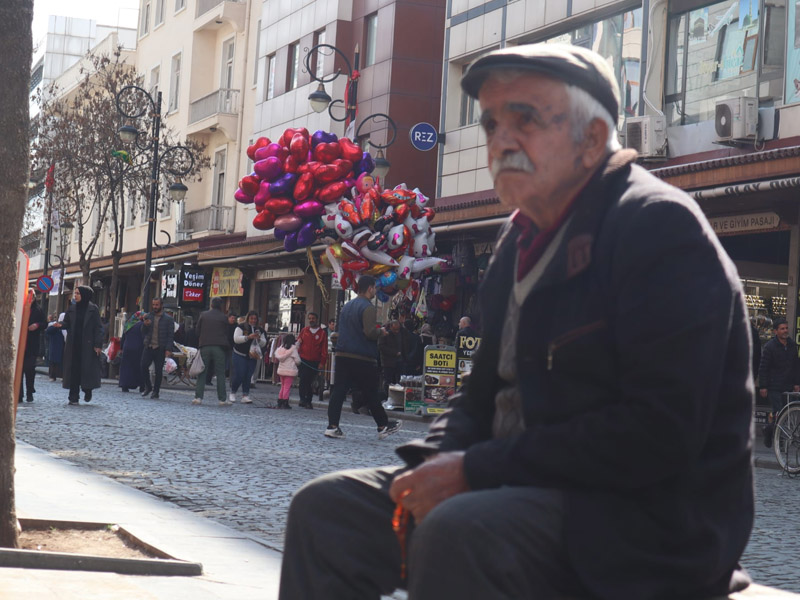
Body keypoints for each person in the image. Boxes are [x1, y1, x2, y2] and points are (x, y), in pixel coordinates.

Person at [279, 44, 754, 600]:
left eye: (524, 119)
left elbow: (658, 432)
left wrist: (473, 471)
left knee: (462, 532)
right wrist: (432, 465)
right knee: (326, 512)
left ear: (594, 139)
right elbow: (481, 395)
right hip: (520, 484)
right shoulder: (519, 238)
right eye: (491, 123)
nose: (501, 139)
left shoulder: (656, 227)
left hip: (644, 520)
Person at [323, 275, 402, 440]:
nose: (375, 291)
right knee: (371, 392)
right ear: (370, 288)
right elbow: (369, 332)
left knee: (338, 391)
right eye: (374, 288)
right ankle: (383, 425)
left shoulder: (346, 306)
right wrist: (382, 332)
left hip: (343, 354)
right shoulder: (368, 307)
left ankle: (332, 426)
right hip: (362, 356)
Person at [56, 286, 103, 405]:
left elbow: (98, 328)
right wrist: (60, 324)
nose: (75, 295)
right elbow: (67, 322)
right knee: (73, 371)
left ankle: (87, 390)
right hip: (73, 345)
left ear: (84, 295)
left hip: (87, 345)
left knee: (87, 370)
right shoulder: (72, 308)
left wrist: (98, 344)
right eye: (75, 293)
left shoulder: (93, 309)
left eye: (78, 293)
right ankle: (73, 396)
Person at [758, 317, 800, 425]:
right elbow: (763, 367)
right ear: (775, 331)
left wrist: (796, 383)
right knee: (778, 413)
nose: (785, 330)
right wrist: (763, 386)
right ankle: (771, 436)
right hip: (774, 387)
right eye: (782, 329)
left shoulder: (792, 345)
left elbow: (796, 365)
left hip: (789, 386)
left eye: (786, 328)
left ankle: (783, 439)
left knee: (789, 414)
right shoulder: (769, 347)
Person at [192, 296, 231, 406]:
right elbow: (226, 333)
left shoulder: (203, 315)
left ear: (211, 305)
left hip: (205, 345)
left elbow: (197, 331)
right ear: (221, 306)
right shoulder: (224, 317)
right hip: (219, 347)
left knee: (202, 372)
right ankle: (222, 399)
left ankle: (198, 397)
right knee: (220, 373)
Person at [139, 297, 175, 399]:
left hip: (160, 347)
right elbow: (143, 332)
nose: (155, 307)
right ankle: (148, 386)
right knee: (143, 366)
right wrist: (145, 325)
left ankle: (156, 391)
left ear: (161, 305)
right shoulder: (149, 316)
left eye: (157, 305)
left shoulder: (168, 319)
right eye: (153, 305)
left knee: (158, 371)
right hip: (149, 346)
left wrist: (168, 349)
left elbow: (170, 335)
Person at [229, 310, 267, 404]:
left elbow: (264, 343)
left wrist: (258, 339)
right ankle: (233, 392)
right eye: (251, 318)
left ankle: (245, 395)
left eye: (255, 319)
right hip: (239, 353)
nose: (253, 320)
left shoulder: (260, 330)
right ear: (248, 318)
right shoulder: (241, 327)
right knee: (239, 374)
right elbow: (236, 339)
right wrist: (247, 337)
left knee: (248, 375)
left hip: (252, 355)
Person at [296, 312, 328, 409]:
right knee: (302, 380)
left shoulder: (322, 333)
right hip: (304, 360)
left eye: (313, 318)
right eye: (309, 318)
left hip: (315, 361)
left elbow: (324, 349)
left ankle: (308, 400)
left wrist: (322, 362)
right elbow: (298, 343)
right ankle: (302, 399)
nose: (311, 320)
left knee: (310, 381)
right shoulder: (304, 331)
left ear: (317, 319)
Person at [19, 295, 46, 403]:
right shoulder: (19, 308)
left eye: (32, 298)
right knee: (18, 371)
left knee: (29, 369)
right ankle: (19, 394)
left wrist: (37, 325)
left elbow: (44, 324)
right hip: (19, 343)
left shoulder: (38, 310)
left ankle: (30, 392)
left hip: (31, 344)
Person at [377, 320, 405, 401]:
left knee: (399, 380)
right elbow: (381, 347)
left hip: (399, 361)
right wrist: (394, 353)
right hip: (388, 361)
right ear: (391, 326)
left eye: (398, 329)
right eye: (395, 329)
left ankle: (397, 398)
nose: (396, 331)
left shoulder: (401, 334)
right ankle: (387, 397)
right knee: (388, 380)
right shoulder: (385, 334)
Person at [118, 311, 145, 393]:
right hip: (139, 348)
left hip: (127, 348)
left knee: (126, 367)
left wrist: (122, 347)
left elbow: (123, 337)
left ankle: (124, 385)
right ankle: (141, 385)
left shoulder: (128, 324)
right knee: (139, 367)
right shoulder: (142, 325)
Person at [274, 334, 301, 409]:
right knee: (287, 387)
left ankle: (280, 400)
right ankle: (285, 401)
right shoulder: (293, 348)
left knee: (283, 386)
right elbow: (297, 360)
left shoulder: (281, 348)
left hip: (281, 370)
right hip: (290, 370)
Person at [45, 313, 65, 381]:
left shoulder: (66, 326)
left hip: (63, 346)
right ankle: (52, 376)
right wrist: (55, 326)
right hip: (55, 346)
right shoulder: (54, 325)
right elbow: (48, 332)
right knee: (54, 362)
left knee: (63, 362)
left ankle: (63, 376)